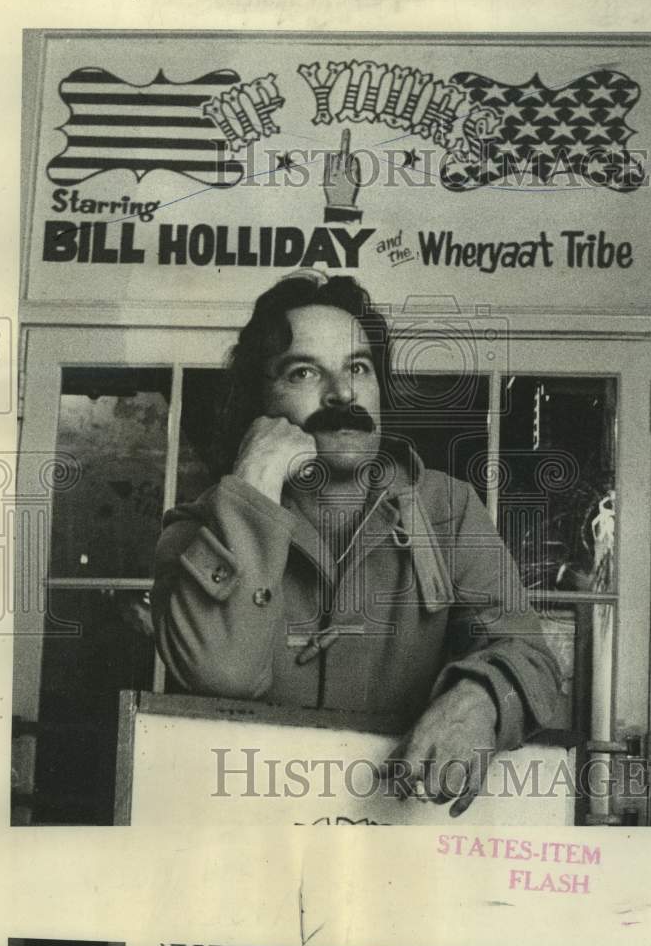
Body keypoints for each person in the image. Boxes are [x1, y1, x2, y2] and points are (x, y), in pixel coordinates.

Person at [152, 271, 561, 815]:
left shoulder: (449, 510)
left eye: (358, 368)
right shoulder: (195, 533)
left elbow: (532, 657)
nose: (343, 393)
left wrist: (482, 698)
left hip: (405, 834)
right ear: (259, 400)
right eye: (304, 372)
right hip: (254, 835)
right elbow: (219, 676)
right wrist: (251, 495)